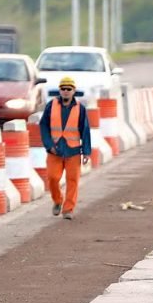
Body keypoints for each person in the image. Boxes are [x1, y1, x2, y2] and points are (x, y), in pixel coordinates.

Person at [39, 76, 91, 220]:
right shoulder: (51, 106)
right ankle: (57, 200)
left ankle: (68, 209)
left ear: (74, 91)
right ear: (59, 91)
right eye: (63, 89)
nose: (66, 91)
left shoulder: (80, 108)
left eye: (69, 89)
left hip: (73, 150)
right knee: (52, 178)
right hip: (55, 150)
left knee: (72, 180)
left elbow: (85, 130)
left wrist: (86, 151)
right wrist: (49, 145)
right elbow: (43, 126)